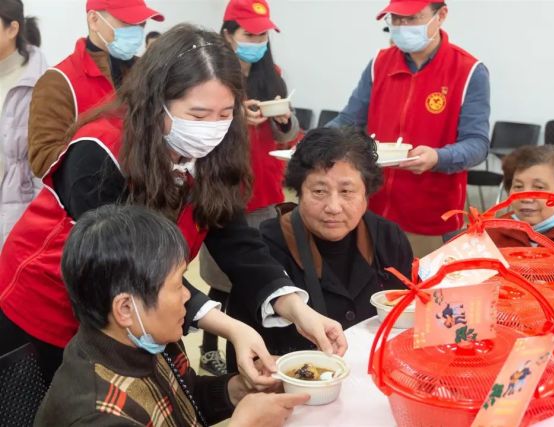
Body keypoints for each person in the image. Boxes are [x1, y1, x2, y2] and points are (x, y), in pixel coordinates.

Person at [0, 25, 346, 386]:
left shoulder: (208, 152)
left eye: (226, 113)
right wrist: (231, 327)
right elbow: (129, 266)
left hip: (140, 309)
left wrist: (295, 307)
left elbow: (236, 242)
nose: (213, 128)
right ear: (156, 101)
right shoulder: (100, 152)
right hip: (48, 307)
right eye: (198, 116)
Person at [35, 204, 309, 427]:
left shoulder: (146, 338)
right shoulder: (96, 413)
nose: (188, 296)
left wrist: (240, 389)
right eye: (179, 285)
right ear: (126, 309)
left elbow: (185, 401)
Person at [326, 0, 490, 258]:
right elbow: (348, 120)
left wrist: (438, 157)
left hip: (430, 213)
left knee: (420, 290)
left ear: (441, 15)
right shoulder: (379, 64)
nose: (402, 27)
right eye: (396, 19)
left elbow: (478, 144)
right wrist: (316, 140)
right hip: (370, 206)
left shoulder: (468, 70)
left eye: (412, 18)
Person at [242, 127, 413, 357]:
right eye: (319, 191)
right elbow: (246, 353)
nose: (333, 207)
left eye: (347, 191)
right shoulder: (265, 249)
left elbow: (410, 322)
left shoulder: (389, 239)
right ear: (299, 192)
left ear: (366, 196)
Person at [199, 0, 301, 375]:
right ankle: (212, 345)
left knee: (258, 271)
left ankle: (250, 346)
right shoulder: (211, 77)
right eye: (249, 34)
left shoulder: (271, 74)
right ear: (228, 34)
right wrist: (233, 116)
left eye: (262, 34)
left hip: (265, 187)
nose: (257, 41)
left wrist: (285, 118)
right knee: (222, 278)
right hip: (224, 190)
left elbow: (288, 136)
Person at [27, 0, 164, 178]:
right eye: (128, 22)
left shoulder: (147, 74)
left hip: (145, 195)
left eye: (142, 24)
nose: (137, 31)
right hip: (89, 199)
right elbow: (42, 159)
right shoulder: (59, 81)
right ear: (94, 20)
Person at [0, 1, 47, 247]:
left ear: (12, 29)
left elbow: (44, 167)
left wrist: (35, 225)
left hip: (18, 214)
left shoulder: (40, 83)